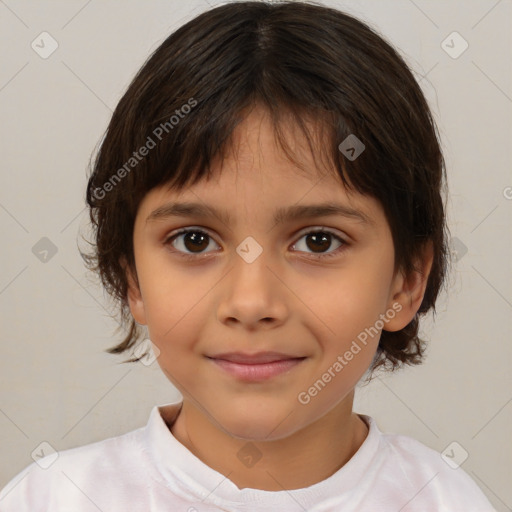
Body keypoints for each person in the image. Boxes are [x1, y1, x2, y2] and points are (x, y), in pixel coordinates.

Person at [0, 1, 496, 510]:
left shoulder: (445, 500)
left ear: (406, 281)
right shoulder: (50, 499)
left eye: (318, 241)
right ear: (133, 279)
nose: (251, 301)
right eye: (194, 240)